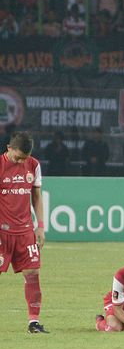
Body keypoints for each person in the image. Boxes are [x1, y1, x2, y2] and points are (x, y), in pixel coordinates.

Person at [0, 132, 48, 333]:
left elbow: (36, 196)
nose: (21, 161)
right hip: (2, 232)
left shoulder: (33, 165)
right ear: (9, 148)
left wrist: (40, 226)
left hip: (25, 231)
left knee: (33, 274)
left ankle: (33, 322)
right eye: (18, 157)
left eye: (24, 158)